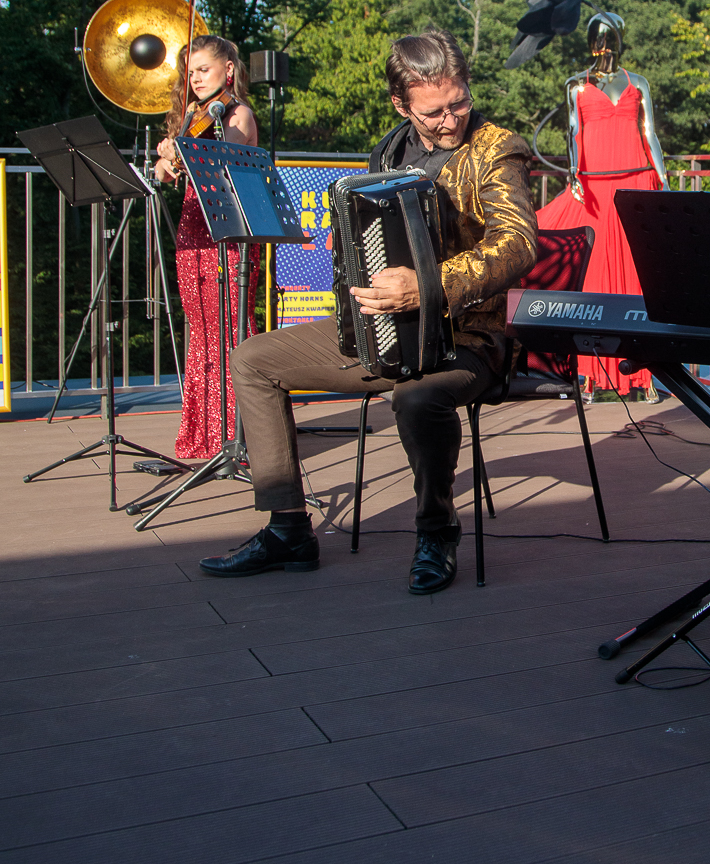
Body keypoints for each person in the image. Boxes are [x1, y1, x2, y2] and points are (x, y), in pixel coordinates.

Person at [201, 29, 538, 593]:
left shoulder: (496, 149)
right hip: (382, 330)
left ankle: (437, 531)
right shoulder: (388, 150)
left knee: (418, 397)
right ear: (401, 105)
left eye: (459, 103)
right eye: (433, 113)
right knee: (253, 359)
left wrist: (427, 286)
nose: (450, 121)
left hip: (467, 339)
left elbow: (518, 244)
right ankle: (288, 528)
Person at [536, 10, 667, 397]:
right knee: (592, 275)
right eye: (598, 37)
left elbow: (650, 134)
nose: (604, 44)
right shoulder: (576, 85)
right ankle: (591, 372)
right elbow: (573, 131)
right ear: (591, 41)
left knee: (635, 275)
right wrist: (573, 172)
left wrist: (663, 178)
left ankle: (641, 375)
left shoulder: (638, 82)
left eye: (609, 37)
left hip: (635, 181)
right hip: (594, 186)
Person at [153, 36, 260, 465]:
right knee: (200, 333)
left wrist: (181, 152)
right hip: (192, 233)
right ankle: (204, 434)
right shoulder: (191, 118)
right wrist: (166, 157)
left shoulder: (238, 114)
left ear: (228, 69)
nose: (195, 79)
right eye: (190, 72)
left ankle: (241, 433)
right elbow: (163, 174)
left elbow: (220, 162)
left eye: (203, 69)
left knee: (230, 329)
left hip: (227, 231)